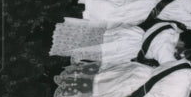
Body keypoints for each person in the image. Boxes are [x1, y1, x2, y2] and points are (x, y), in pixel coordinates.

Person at [53, 59, 191, 97]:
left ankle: (64, 74)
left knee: (101, 76)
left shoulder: (186, 66)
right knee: (98, 90)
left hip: (139, 71)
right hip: (135, 89)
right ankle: (65, 92)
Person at [49, 19, 183, 65]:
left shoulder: (170, 28)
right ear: (182, 43)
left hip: (132, 33)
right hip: (129, 46)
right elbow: (167, 63)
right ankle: (56, 43)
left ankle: (59, 33)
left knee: (94, 35)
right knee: (95, 47)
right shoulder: (166, 45)